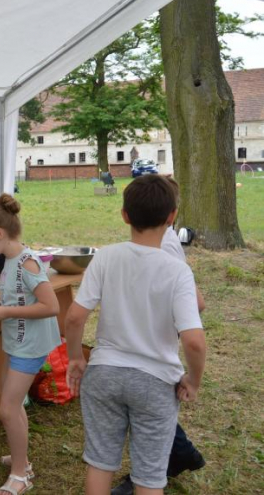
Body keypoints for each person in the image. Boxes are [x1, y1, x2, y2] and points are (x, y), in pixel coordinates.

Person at [64, 175, 206, 495]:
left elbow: (74, 317)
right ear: (172, 216)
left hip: (103, 374)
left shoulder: (105, 257)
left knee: (100, 462)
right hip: (156, 382)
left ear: (124, 215)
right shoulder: (178, 271)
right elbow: (194, 341)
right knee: (150, 475)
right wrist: (193, 380)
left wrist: (75, 357)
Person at [111, 177, 206, 495]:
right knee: (144, 402)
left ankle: (160, 467)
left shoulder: (164, 242)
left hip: (151, 341)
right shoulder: (159, 237)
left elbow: (195, 301)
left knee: (143, 406)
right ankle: (179, 454)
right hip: (141, 339)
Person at [0, 193, 61, 495]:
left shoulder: (28, 263)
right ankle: (21, 460)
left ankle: (20, 475)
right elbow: (20, 297)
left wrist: (6, 311)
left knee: (7, 408)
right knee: (13, 405)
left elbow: (51, 306)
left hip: (29, 346)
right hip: (18, 341)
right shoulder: (9, 260)